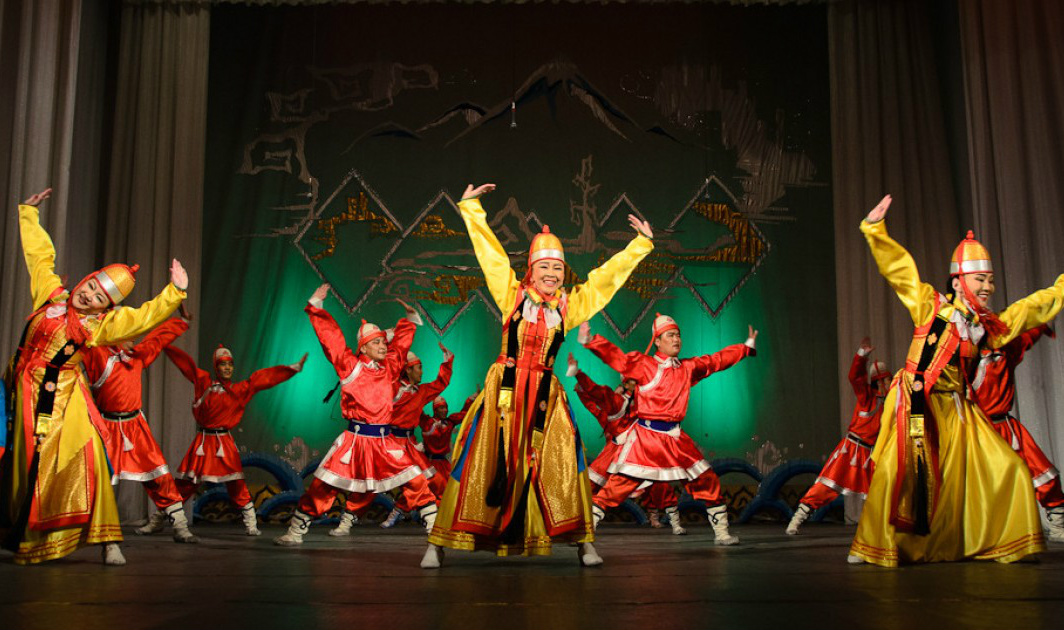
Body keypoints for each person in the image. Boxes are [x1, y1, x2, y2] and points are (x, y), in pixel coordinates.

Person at [422, 183, 654, 568]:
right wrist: (471, 207)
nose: (551, 274)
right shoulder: (511, 295)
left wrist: (639, 246)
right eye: (544, 267)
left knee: (562, 463)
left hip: (546, 395)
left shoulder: (568, 306)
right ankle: (438, 543)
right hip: (505, 393)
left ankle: (584, 543)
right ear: (531, 270)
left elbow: (604, 281)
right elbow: (491, 256)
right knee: (482, 463)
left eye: (558, 268)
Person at [848, 194, 1064, 567]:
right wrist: (874, 229)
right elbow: (900, 271)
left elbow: (1029, 308)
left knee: (1007, 468)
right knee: (905, 475)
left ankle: (1006, 542)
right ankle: (876, 544)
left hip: (959, 408)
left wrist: (1061, 288)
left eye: (991, 281)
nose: (988, 288)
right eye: (981, 279)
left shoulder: (988, 325)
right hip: (918, 402)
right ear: (960, 281)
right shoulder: (931, 305)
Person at [2, 188, 188, 565]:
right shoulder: (52, 296)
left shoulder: (99, 327)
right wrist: (29, 215)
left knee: (84, 459)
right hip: (22, 392)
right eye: (89, 287)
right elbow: (39, 257)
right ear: (85, 280)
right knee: (23, 465)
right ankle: (25, 533)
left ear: (107, 307)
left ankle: (106, 539)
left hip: (62, 399)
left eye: (98, 297)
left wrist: (175, 292)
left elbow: (143, 318)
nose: (87, 296)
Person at [275, 286, 437, 546]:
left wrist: (408, 321)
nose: (383, 345)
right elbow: (332, 340)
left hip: (385, 442)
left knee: (416, 480)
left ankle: (436, 531)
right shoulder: (350, 366)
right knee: (323, 488)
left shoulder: (390, 368)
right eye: (377, 342)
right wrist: (317, 305)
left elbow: (402, 346)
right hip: (355, 440)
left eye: (384, 341)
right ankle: (295, 532)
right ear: (364, 347)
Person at [582, 315, 757, 545]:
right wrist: (591, 340)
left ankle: (722, 533)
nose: (676, 339)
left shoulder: (687, 367)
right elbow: (621, 361)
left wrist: (744, 348)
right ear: (657, 340)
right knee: (617, 487)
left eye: (678, 335)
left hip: (675, 438)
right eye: (670, 335)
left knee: (707, 479)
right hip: (647, 440)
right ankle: (586, 533)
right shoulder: (646, 365)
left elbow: (716, 361)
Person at [165, 343, 305, 536]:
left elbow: (263, 379)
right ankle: (158, 519)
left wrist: (292, 369)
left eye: (230, 364)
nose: (228, 368)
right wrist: (166, 347)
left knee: (236, 484)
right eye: (223, 364)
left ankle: (251, 523)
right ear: (216, 367)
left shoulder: (240, 390)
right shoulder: (204, 383)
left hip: (224, 443)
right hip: (204, 443)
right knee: (185, 485)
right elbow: (186, 365)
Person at [82, 315, 196, 543]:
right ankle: (79, 528)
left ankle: (180, 526)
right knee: (93, 478)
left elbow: (157, 339)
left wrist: (181, 322)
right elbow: (83, 339)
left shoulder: (137, 356)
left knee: (159, 475)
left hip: (135, 427)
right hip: (107, 428)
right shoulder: (98, 355)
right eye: (128, 334)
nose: (133, 341)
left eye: (133, 335)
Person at [787, 337, 890, 535]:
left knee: (879, 493)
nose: (889, 381)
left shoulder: (890, 401)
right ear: (879, 380)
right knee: (826, 486)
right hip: (850, 449)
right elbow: (855, 377)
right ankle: (798, 517)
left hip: (871, 454)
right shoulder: (866, 396)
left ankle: (878, 533)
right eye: (886, 378)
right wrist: (861, 356)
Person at [971, 324, 1064, 541]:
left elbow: (1025, 336)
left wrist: (1039, 324)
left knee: (1043, 474)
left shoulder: (1006, 352)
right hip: (979, 431)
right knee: (985, 485)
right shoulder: (965, 359)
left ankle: (1058, 523)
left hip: (1006, 426)